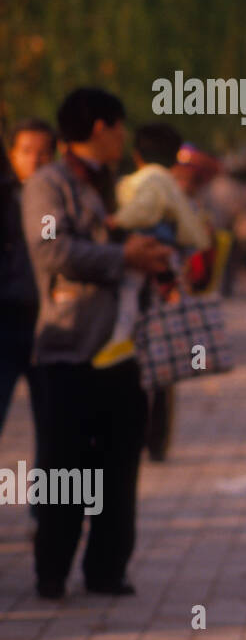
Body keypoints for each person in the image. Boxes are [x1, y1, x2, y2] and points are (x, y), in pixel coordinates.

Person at [21, 87, 172, 599]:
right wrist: (123, 256)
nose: (124, 137)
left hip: (127, 352)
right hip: (70, 347)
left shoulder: (122, 186)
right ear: (102, 127)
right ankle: (52, 571)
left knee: (120, 465)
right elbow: (50, 249)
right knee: (63, 468)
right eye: (119, 126)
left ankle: (108, 569)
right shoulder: (48, 184)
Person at [93, 123, 211, 368]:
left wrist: (117, 221)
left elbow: (144, 209)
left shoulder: (151, 179)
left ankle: (119, 340)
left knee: (129, 291)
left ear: (137, 154)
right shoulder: (168, 181)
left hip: (151, 243)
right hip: (173, 247)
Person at [1, 119, 56, 437]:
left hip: (48, 325)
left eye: (43, 153)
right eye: (26, 151)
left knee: (52, 429)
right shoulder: (5, 199)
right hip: (5, 322)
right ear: (12, 153)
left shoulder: (58, 203)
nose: (35, 160)